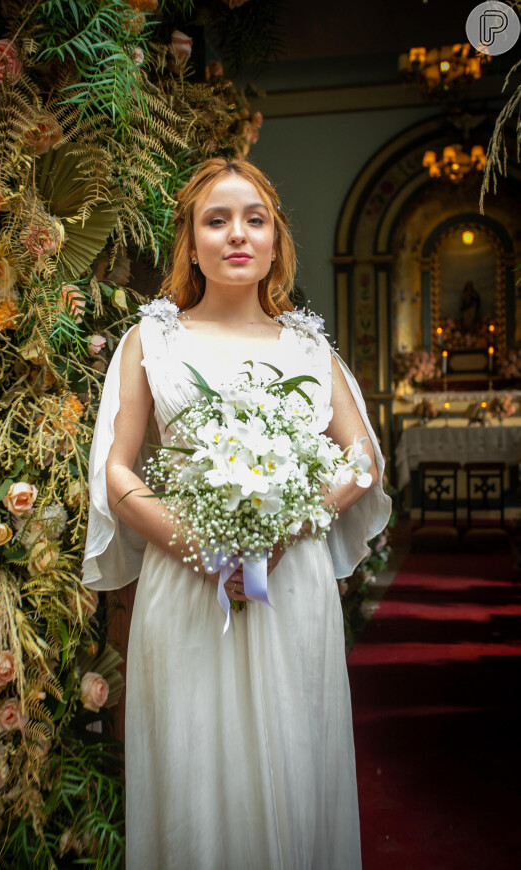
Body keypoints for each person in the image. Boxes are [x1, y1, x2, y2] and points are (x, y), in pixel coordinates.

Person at [82, 157, 392, 869]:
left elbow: (362, 461)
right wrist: (201, 548)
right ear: (190, 244)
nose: (237, 234)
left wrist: (286, 527)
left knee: (293, 746)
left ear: (276, 241)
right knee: (193, 759)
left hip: (290, 580)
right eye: (216, 221)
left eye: (255, 219)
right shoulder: (150, 342)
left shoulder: (309, 347)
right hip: (187, 583)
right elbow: (117, 470)